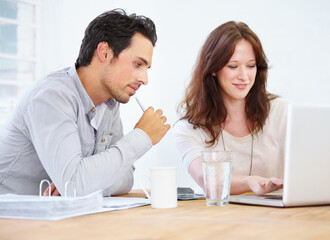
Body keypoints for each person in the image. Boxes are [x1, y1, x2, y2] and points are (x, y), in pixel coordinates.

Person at [0, 9, 170, 196]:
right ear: (104, 53)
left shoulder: (110, 104)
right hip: (10, 219)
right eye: (138, 64)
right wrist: (142, 136)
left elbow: (126, 179)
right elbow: (74, 186)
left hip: (55, 217)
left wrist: (85, 180)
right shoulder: (52, 96)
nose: (145, 79)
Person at [174, 21, 289, 195]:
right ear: (213, 68)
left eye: (251, 66)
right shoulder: (189, 128)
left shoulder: (284, 113)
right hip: (220, 219)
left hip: (280, 219)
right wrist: (250, 182)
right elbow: (208, 180)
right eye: (233, 66)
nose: (244, 76)